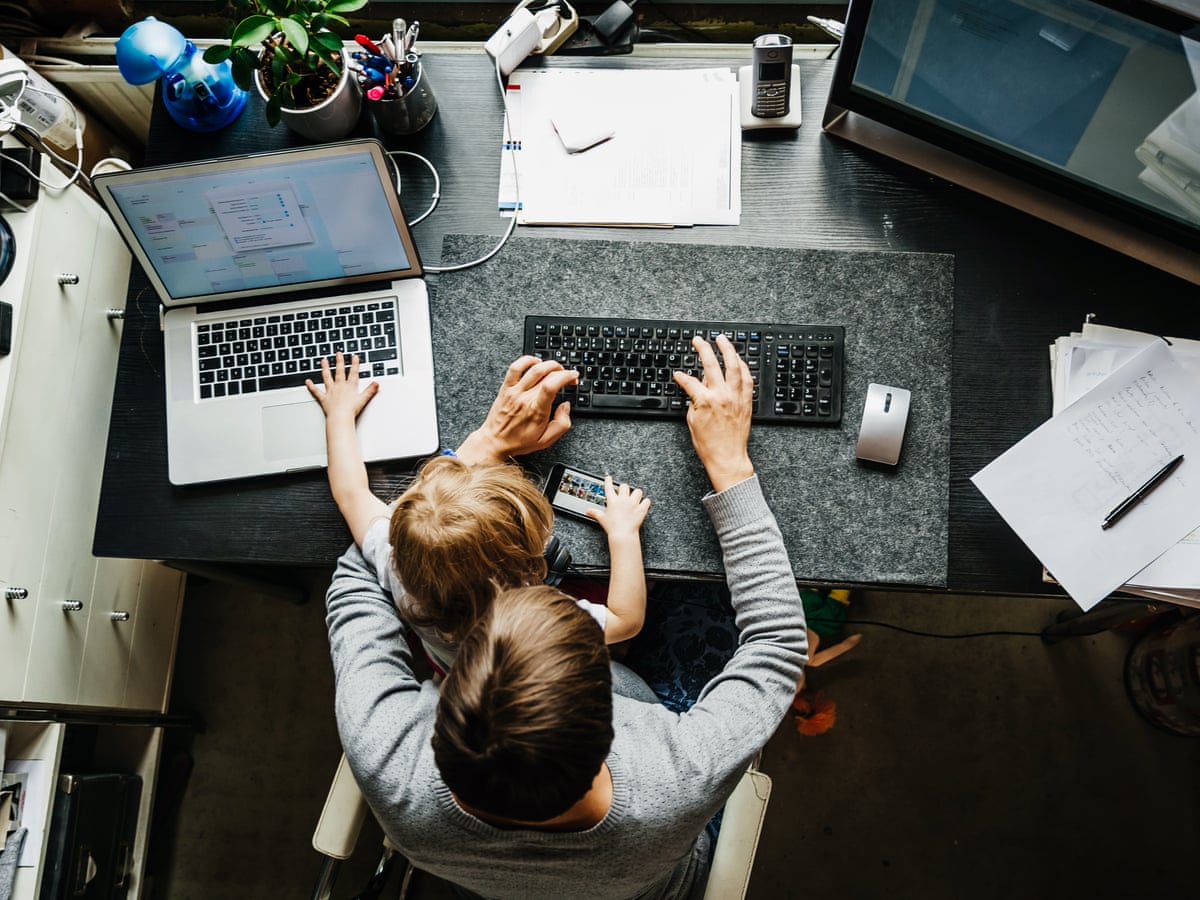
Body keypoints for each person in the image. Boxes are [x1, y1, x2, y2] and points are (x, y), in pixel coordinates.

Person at [324, 334, 808, 899]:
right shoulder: (676, 776)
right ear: (611, 723)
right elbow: (776, 644)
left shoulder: (383, 755)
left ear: (446, 698)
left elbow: (360, 570)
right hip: (661, 878)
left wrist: (478, 455)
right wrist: (728, 464)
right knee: (703, 604)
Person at [306, 352, 650, 671]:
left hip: (454, 665)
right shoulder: (537, 618)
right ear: (530, 561)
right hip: (526, 664)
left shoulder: (395, 557)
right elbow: (626, 620)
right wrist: (623, 535)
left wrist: (338, 416)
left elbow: (350, 493)